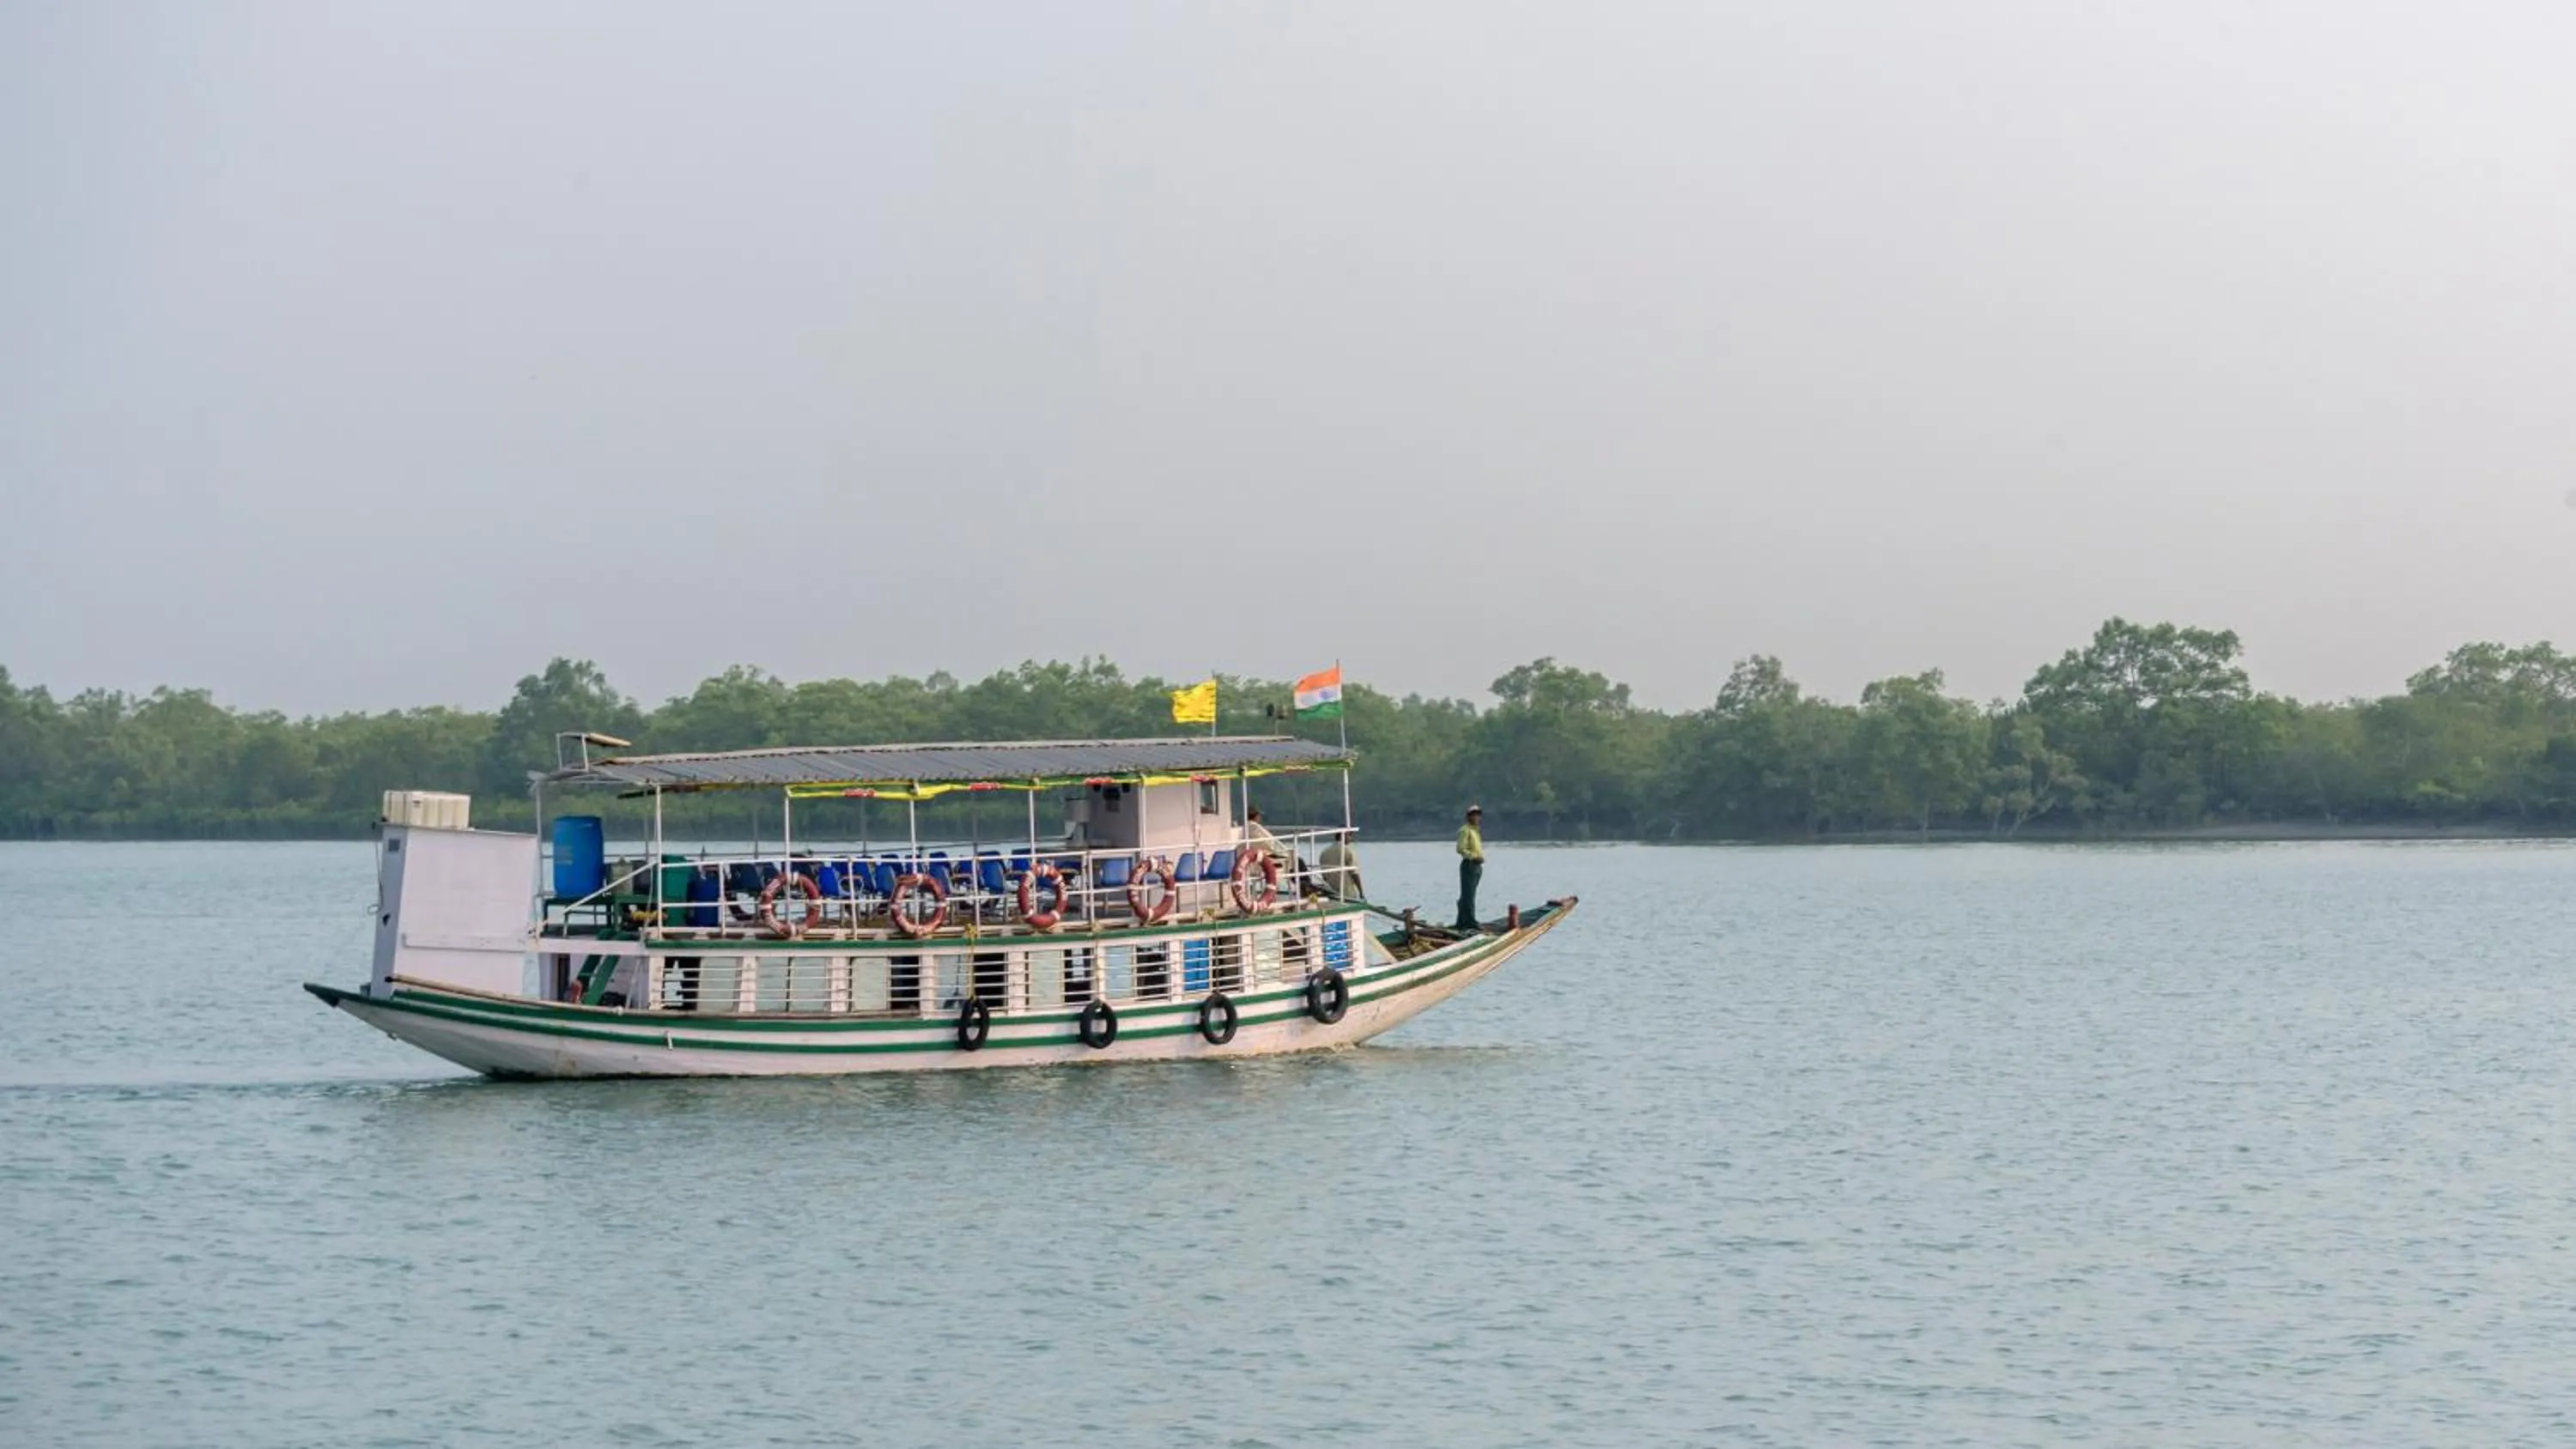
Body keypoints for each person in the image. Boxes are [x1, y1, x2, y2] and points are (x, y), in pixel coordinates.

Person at [1454, 805, 1485, 931]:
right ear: (1468, 816)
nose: (1476, 817)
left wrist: (1479, 858)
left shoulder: (1476, 831)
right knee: (1468, 896)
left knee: (1468, 895)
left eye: (1478, 814)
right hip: (1469, 865)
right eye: (1473, 814)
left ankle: (1461, 922)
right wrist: (1473, 857)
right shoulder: (1465, 830)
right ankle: (1471, 922)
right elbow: (1460, 848)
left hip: (1477, 866)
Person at [1317, 830, 1364, 901]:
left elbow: (1324, 876)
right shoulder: (1347, 851)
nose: (1351, 838)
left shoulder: (1324, 852)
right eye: (1350, 835)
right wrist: (1361, 893)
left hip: (1331, 893)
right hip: (1347, 893)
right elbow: (1355, 874)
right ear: (1344, 835)